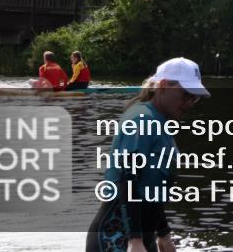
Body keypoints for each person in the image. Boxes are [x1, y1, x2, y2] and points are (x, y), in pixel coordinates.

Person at [87, 57, 209, 252]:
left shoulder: (159, 122)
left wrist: (163, 234)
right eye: (185, 94)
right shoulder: (142, 119)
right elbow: (128, 177)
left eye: (194, 97)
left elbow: (151, 187)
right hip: (115, 240)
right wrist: (134, 240)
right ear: (163, 85)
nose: (188, 102)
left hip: (141, 238)